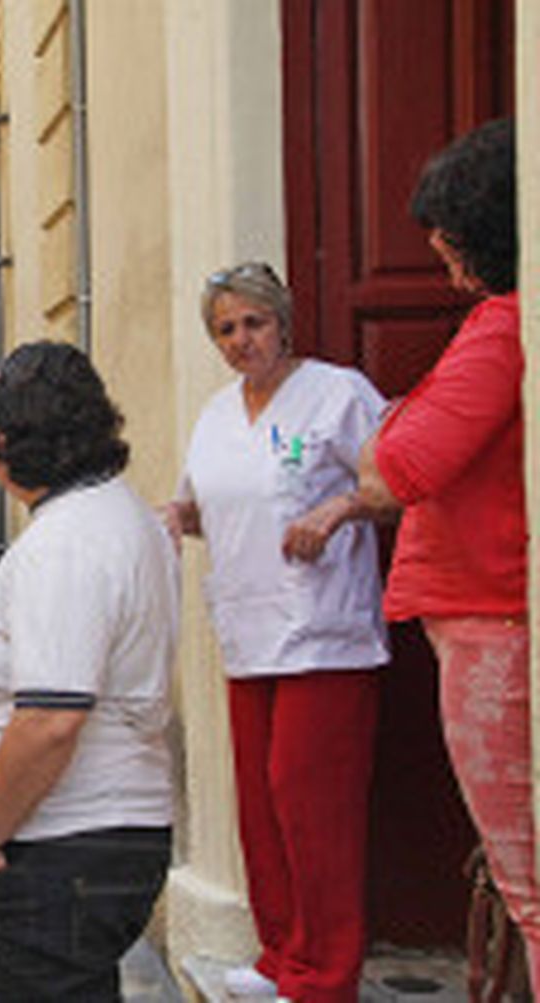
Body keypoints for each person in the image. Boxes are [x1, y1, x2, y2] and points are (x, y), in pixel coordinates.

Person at [164, 262, 388, 1002]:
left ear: (282, 322)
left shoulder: (338, 392)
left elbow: (395, 484)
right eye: (225, 329)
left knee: (310, 802)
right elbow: (196, 506)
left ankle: (326, 973)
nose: (240, 340)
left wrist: (338, 510)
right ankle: (281, 953)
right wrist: (167, 522)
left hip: (324, 633)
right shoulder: (217, 413)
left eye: (253, 323)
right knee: (261, 804)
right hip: (246, 627)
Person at [0, 342, 178, 1001]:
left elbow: (51, 718)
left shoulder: (68, 542)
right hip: (83, 845)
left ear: (2, 445)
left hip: (58, 849)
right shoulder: (115, 514)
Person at [350, 119, 535, 986]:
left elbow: (399, 466)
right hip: (488, 612)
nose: (448, 272)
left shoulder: (500, 327)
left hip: (489, 622)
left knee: (525, 876)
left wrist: (388, 429)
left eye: (452, 248)